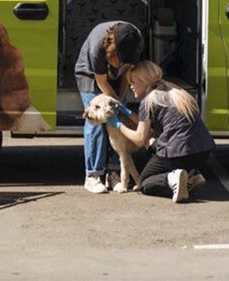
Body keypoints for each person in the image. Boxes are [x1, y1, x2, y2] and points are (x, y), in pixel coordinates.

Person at [117, 60, 214, 202]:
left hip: (178, 151)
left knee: (145, 183)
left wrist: (118, 124)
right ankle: (191, 176)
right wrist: (126, 112)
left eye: (133, 82)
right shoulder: (175, 91)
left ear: (145, 81)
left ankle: (172, 178)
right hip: (203, 151)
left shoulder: (148, 101)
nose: (131, 87)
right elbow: (146, 127)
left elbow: (139, 138)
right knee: (153, 144)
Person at [74, 21, 142, 194]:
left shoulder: (134, 40)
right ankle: (93, 175)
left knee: (117, 121)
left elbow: (127, 73)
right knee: (95, 119)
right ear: (112, 50)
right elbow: (101, 81)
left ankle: (113, 173)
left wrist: (119, 102)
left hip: (117, 77)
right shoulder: (98, 47)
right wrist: (113, 103)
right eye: (119, 58)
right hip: (91, 75)